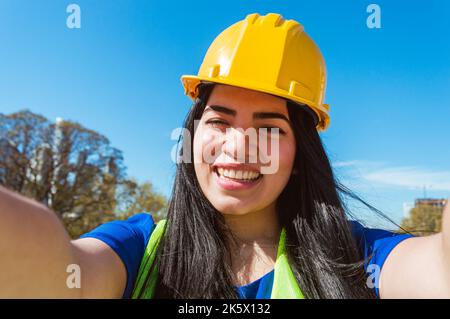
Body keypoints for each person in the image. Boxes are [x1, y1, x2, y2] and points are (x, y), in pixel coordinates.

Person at [1, 12, 449, 299]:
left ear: (301, 150)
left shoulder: (357, 258)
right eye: (219, 121)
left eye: (269, 127)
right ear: (193, 134)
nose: (238, 147)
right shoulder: (138, 251)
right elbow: (56, 275)